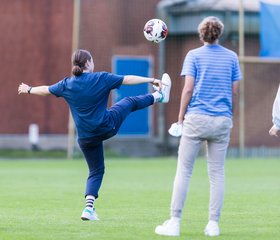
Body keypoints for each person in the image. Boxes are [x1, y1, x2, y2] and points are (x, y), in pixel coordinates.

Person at [18, 49, 171, 221]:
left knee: (95, 171)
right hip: (106, 127)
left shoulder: (67, 84)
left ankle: (88, 209)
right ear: (89, 62)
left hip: (85, 138)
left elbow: (46, 90)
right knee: (128, 102)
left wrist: (29, 89)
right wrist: (152, 80)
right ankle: (160, 95)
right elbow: (127, 79)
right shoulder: (101, 78)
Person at [155, 16, 241, 237]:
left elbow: (188, 90)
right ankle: (213, 224)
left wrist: (180, 118)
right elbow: (234, 92)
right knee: (217, 174)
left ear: (201, 34)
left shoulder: (193, 55)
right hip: (222, 120)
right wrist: (229, 115)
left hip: (197, 118)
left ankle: (174, 222)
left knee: (184, 171)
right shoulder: (232, 57)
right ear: (219, 33)